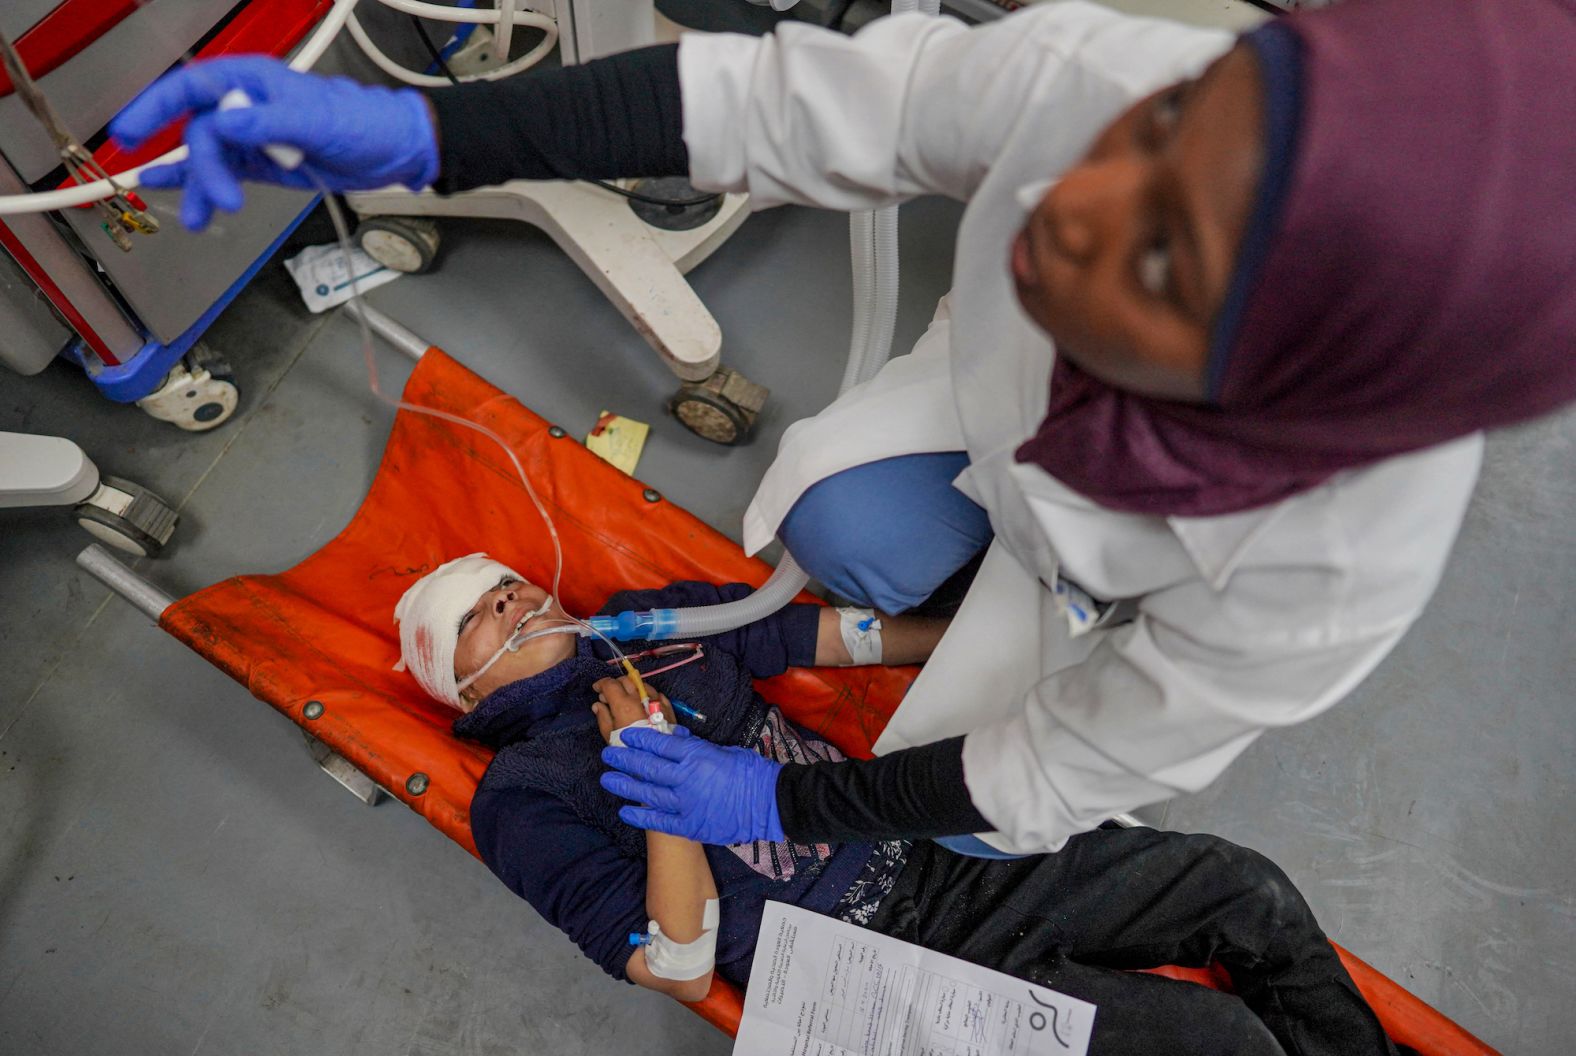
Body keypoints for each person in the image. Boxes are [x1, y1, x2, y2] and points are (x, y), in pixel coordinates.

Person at [111, 0, 1576, 857]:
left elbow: (1072, 766)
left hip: (1097, 597)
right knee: (838, 531)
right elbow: (788, 102)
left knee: (970, 821)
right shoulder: (1112, 85)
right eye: (1154, 136)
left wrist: (783, 806)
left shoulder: (1331, 563)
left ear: (1299, 382)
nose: (1067, 210)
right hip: (995, 411)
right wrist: (433, 138)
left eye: (1162, 262)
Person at [391, 552, 1397, 1056]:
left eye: (506, 583)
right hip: (874, 979)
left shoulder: (665, 626)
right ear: (461, 686)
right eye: (473, 616)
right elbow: (679, 970)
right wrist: (652, 779)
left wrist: (1036, 611)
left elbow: (851, 640)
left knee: (1241, 891)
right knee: (1216, 1047)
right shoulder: (521, 797)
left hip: (937, 854)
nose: (509, 598)